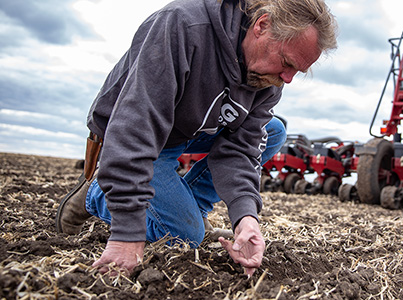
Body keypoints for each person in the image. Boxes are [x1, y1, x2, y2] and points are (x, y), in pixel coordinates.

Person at [55, 0, 337, 277]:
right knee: (185, 236)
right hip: (142, 137)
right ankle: (98, 195)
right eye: (287, 63)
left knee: (274, 131)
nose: (287, 79)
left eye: (296, 71)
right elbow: (135, 125)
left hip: (189, 129)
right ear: (262, 25)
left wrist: (246, 218)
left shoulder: (267, 77)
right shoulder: (183, 25)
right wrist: (127, 233)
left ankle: (194, 207)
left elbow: (242, 149)